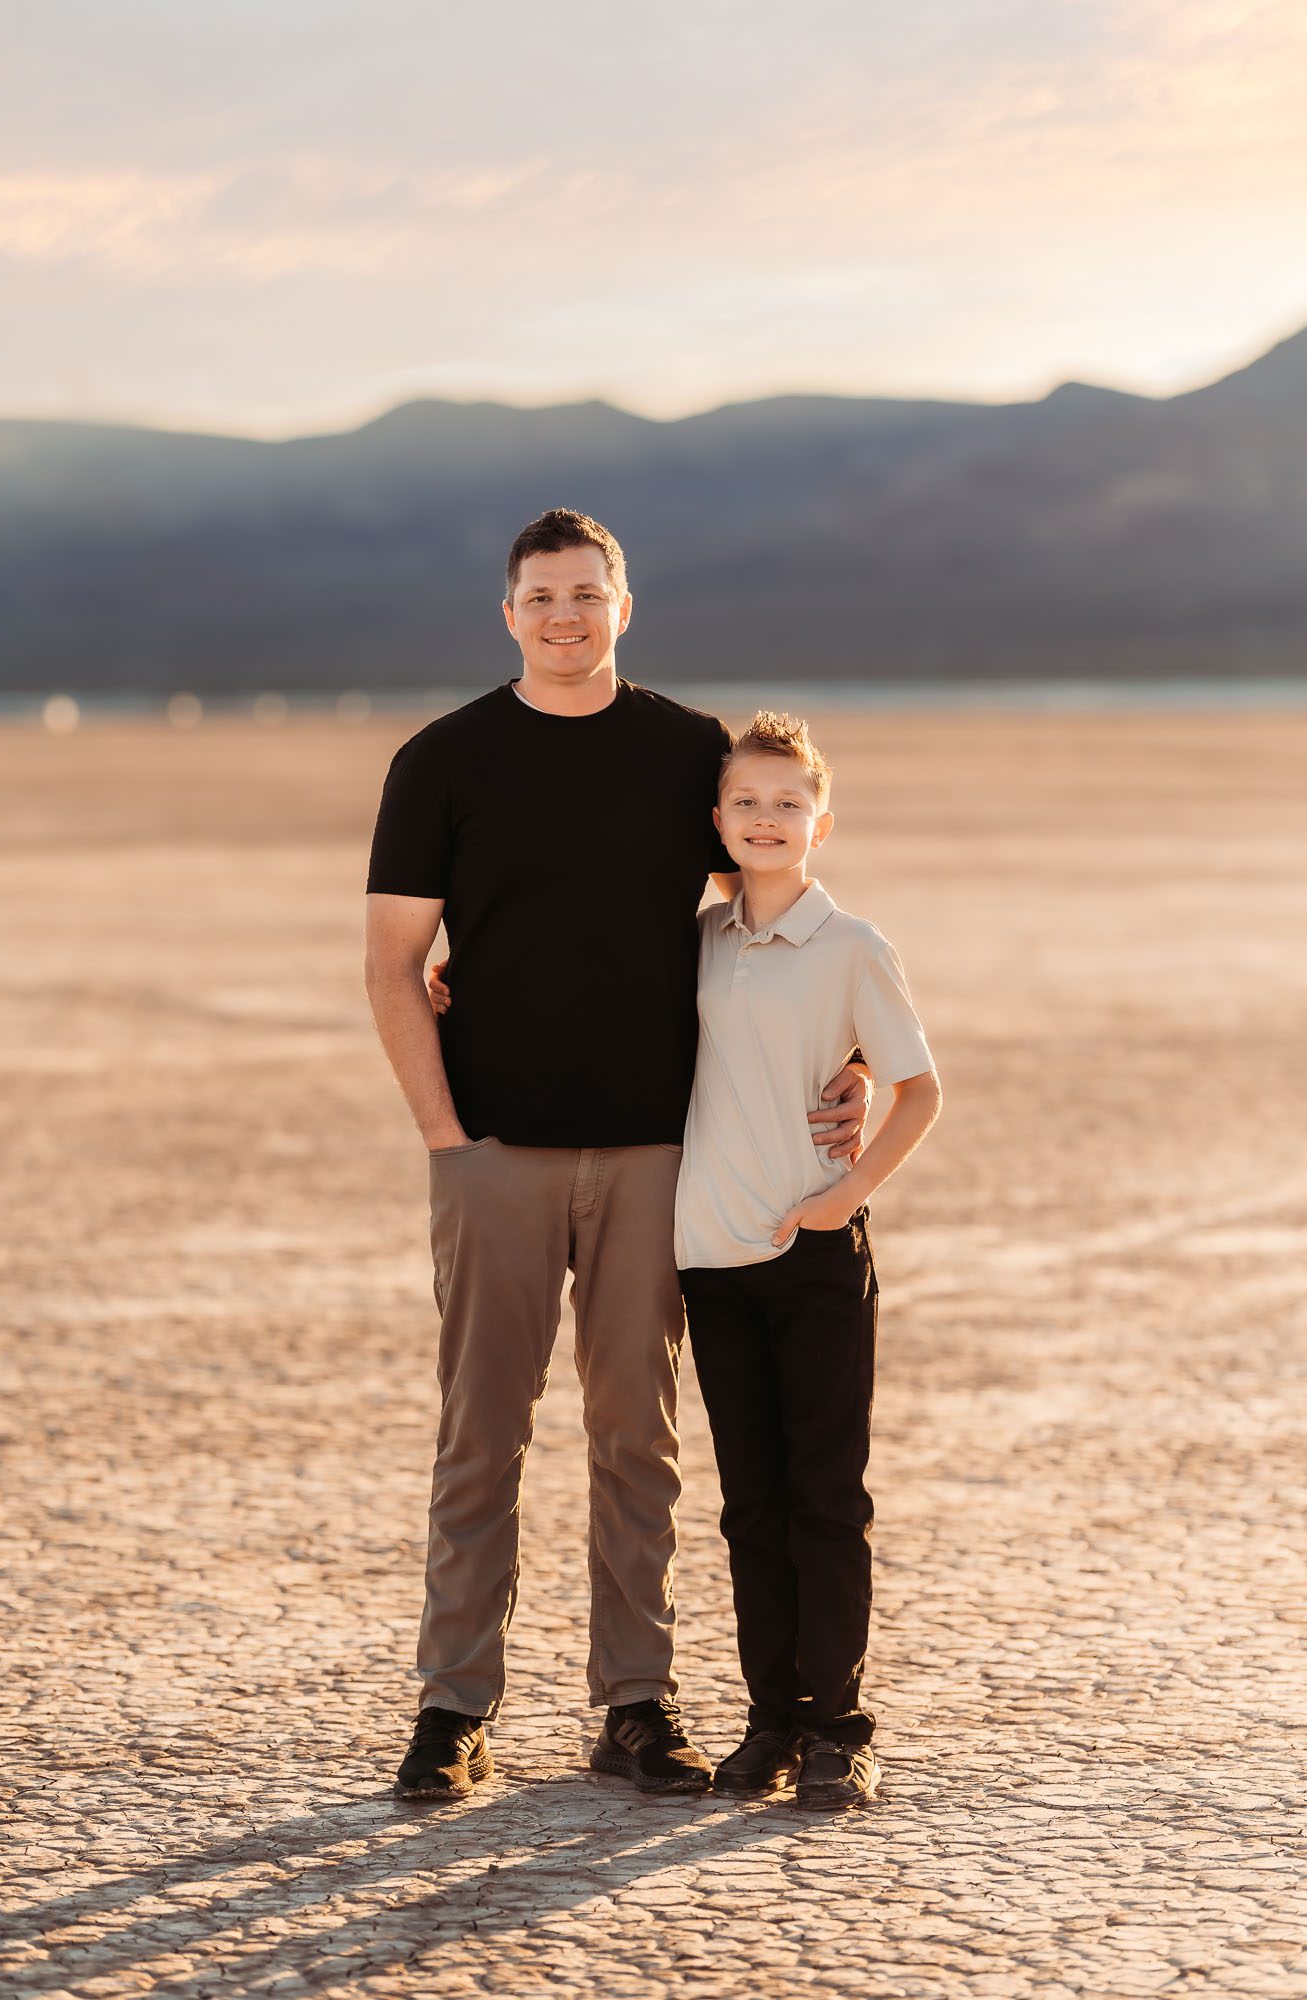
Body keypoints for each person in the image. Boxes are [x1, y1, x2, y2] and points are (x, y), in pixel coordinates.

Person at [363, 509, 869, 1800]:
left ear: (622, 607)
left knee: (634, 1437)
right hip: (494, 1153)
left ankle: (633, 1702)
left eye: (586, 594)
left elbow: (775, 900)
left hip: (657, 1153)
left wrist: (852, 1057)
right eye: (540, 597)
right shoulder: (443, 763)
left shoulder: (685, 756)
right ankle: (451, 1705)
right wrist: (444, 1136)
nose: (563, 616)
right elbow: (388, 961)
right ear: (508, 613)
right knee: (481, 1433)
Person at [675, 711, 941, 1810]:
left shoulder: (851, 945)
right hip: (709, 1259)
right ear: (717, 820)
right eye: (746, 801)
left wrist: (844, 1194)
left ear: (820, 820)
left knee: (825, 1496)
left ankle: (839, 1724)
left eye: (788, 803)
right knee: (748, 1504)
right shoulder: (692, 938)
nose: (767, 818)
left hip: (815, 1253)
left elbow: (917, 1086)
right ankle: (768, 1721)